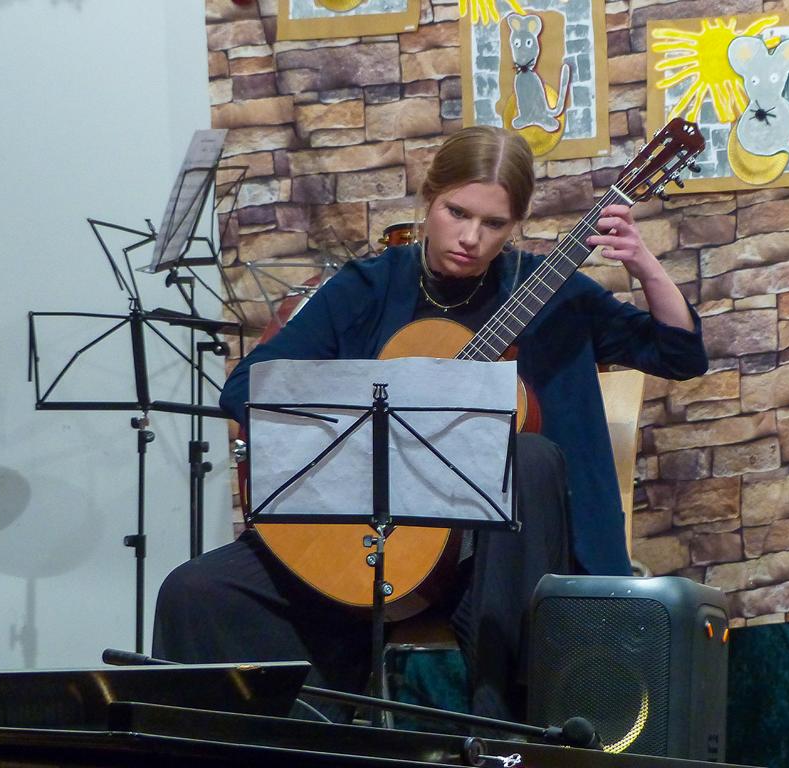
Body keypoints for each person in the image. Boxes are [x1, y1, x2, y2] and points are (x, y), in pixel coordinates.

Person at [153, 125, 708, 724]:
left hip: (501, 560)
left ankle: (506, 738)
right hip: (374, 537)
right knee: (195, 591)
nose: (470, 238)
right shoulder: (369, 286)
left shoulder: (554, 293)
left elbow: (679, 355)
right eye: (456, 212)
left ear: (516, 225)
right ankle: (299, 742)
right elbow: (248, 389)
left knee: (527, 455)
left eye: (493, 223)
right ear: (429, 198)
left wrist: (646, 265)